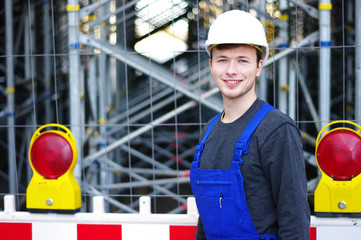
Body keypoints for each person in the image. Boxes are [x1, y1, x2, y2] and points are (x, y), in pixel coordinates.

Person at [190, 10, 310, 240]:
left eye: (243, 61)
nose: (231, 70)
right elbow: (206, 220)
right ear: (211, 65)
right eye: (222, 60)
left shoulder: (276, 130)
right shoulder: (209, 132)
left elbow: (294, 220)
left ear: (258, 66)